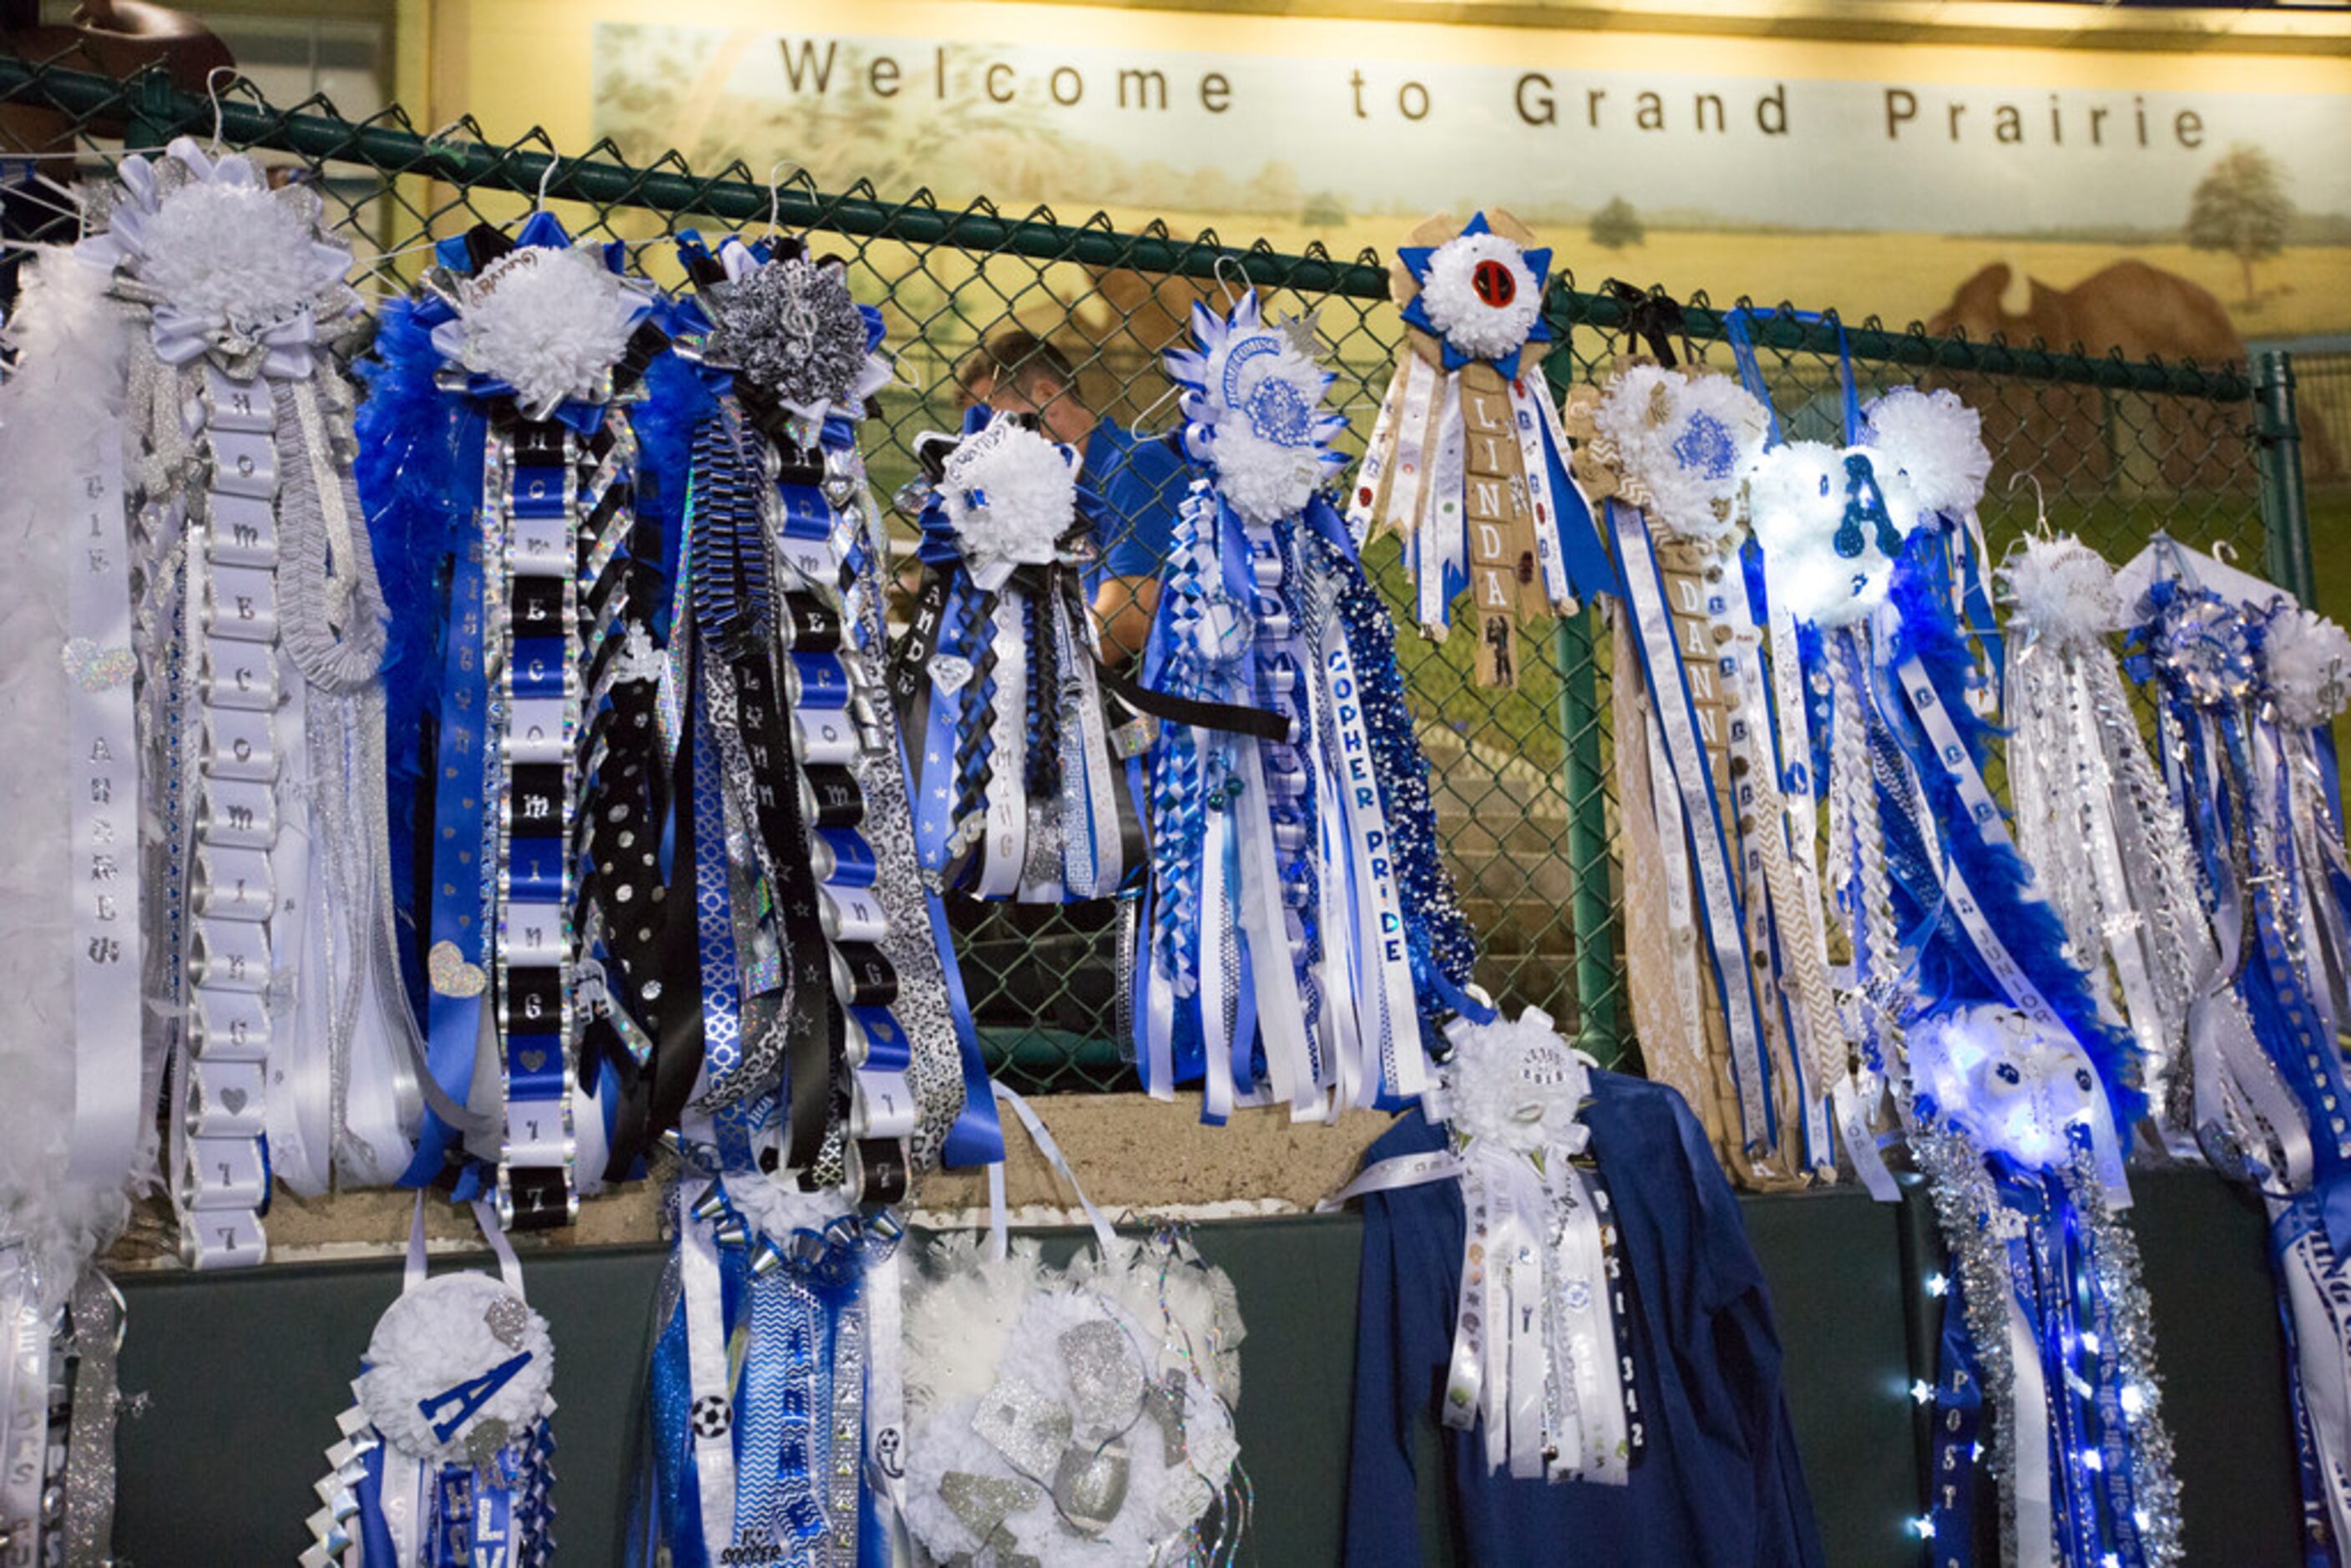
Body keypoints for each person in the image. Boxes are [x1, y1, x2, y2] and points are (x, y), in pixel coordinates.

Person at [954, 331, 1187, 667]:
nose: (986, 448)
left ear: (1047, 395)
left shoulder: (1136, 464)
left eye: (994, 428)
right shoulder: (1045, 500)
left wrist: (1024, 678)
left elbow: (1128, 620)